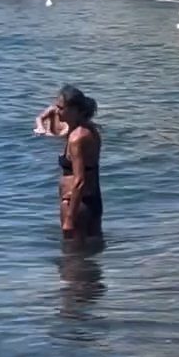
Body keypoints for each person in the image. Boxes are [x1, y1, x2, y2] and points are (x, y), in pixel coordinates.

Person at [55, 85, 103, 242]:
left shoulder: (77, 138)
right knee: (89, 253)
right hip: (92, 201)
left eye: (61, 108)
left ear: (75, 110)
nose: (57, 111)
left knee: (72, 260)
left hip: (76, 205)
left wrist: (69, 218)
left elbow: (80, 180)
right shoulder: (90, 130)